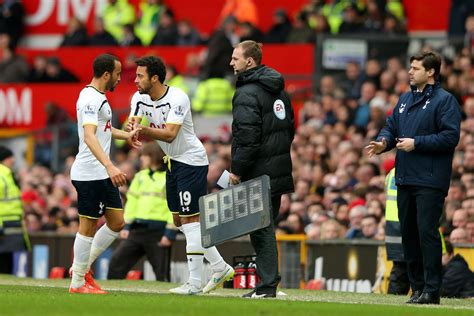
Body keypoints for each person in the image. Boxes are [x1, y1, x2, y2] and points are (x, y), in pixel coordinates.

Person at [128, 55, 233, 295]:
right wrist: (132, 128)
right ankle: (220, 267)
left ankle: (194, 283)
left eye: (140, 76)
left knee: (190, 220)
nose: (135, 80)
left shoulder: (178, 97)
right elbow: (134, 120)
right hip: (172, 162)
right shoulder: (139, 97)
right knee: (179, 220)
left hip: (192, 161)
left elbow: (171, 134)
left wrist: (142, 129)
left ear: (154, 78)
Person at [366, 51, 462, 304]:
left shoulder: (445, 101)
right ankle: (417, 288)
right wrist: (384, 142)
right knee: (408, 235)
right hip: (406, 176)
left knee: (426, 233)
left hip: (430, 179)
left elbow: (451, 137)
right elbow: (391, 126)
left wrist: (416, 143)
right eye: (410, 67)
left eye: (415, 68)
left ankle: (432, 290)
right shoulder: (405, 99)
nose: (410, 72)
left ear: (430, 72)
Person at [69, 54, 141, 294]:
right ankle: (78, 281)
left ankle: (81, 267)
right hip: (91, 172)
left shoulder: (99, 97)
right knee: (88, 226)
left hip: (101, 171)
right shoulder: (91, 98)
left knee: (116, 222)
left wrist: (127, 136)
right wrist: (110, 166)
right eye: (118, 74)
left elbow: (104, 131)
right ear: (107, 74)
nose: (120, 79)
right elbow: (89, 136)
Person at [229, 40, 295, 298]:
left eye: (235, 58)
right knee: (266, 227)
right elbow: (290, 128)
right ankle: (269, 284)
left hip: (258, 172)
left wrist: (237, 169)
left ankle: (267, 286)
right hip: (278, 169)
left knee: (260, 230)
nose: (231, 63)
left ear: (250, 61)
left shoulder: (247, 92)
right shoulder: (279, 90)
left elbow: (247, 136)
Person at [108, 141, 176, 281]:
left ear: (154, 156)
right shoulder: (140, 176)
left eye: (144, 156)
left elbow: (174, 208)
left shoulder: (169, 177)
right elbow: (132, 203)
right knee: (116, 262)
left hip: (159, 232)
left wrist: (170, 232)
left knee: (162, 274)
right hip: (137, 231)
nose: (141, 159)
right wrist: (126, 225)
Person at [0, 146, 30, 274]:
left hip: (11, 222)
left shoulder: (8, 175)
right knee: (4, 260)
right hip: (4, 222)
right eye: (9, 157)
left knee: (7, 258)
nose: (13, 160)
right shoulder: (2, 176)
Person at [384, 168, 410, 295]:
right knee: (404, 270)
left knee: (400, 270)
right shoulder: (414, 170)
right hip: (407, 225)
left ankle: (392, 300)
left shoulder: (392, 173)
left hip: (392, 229)